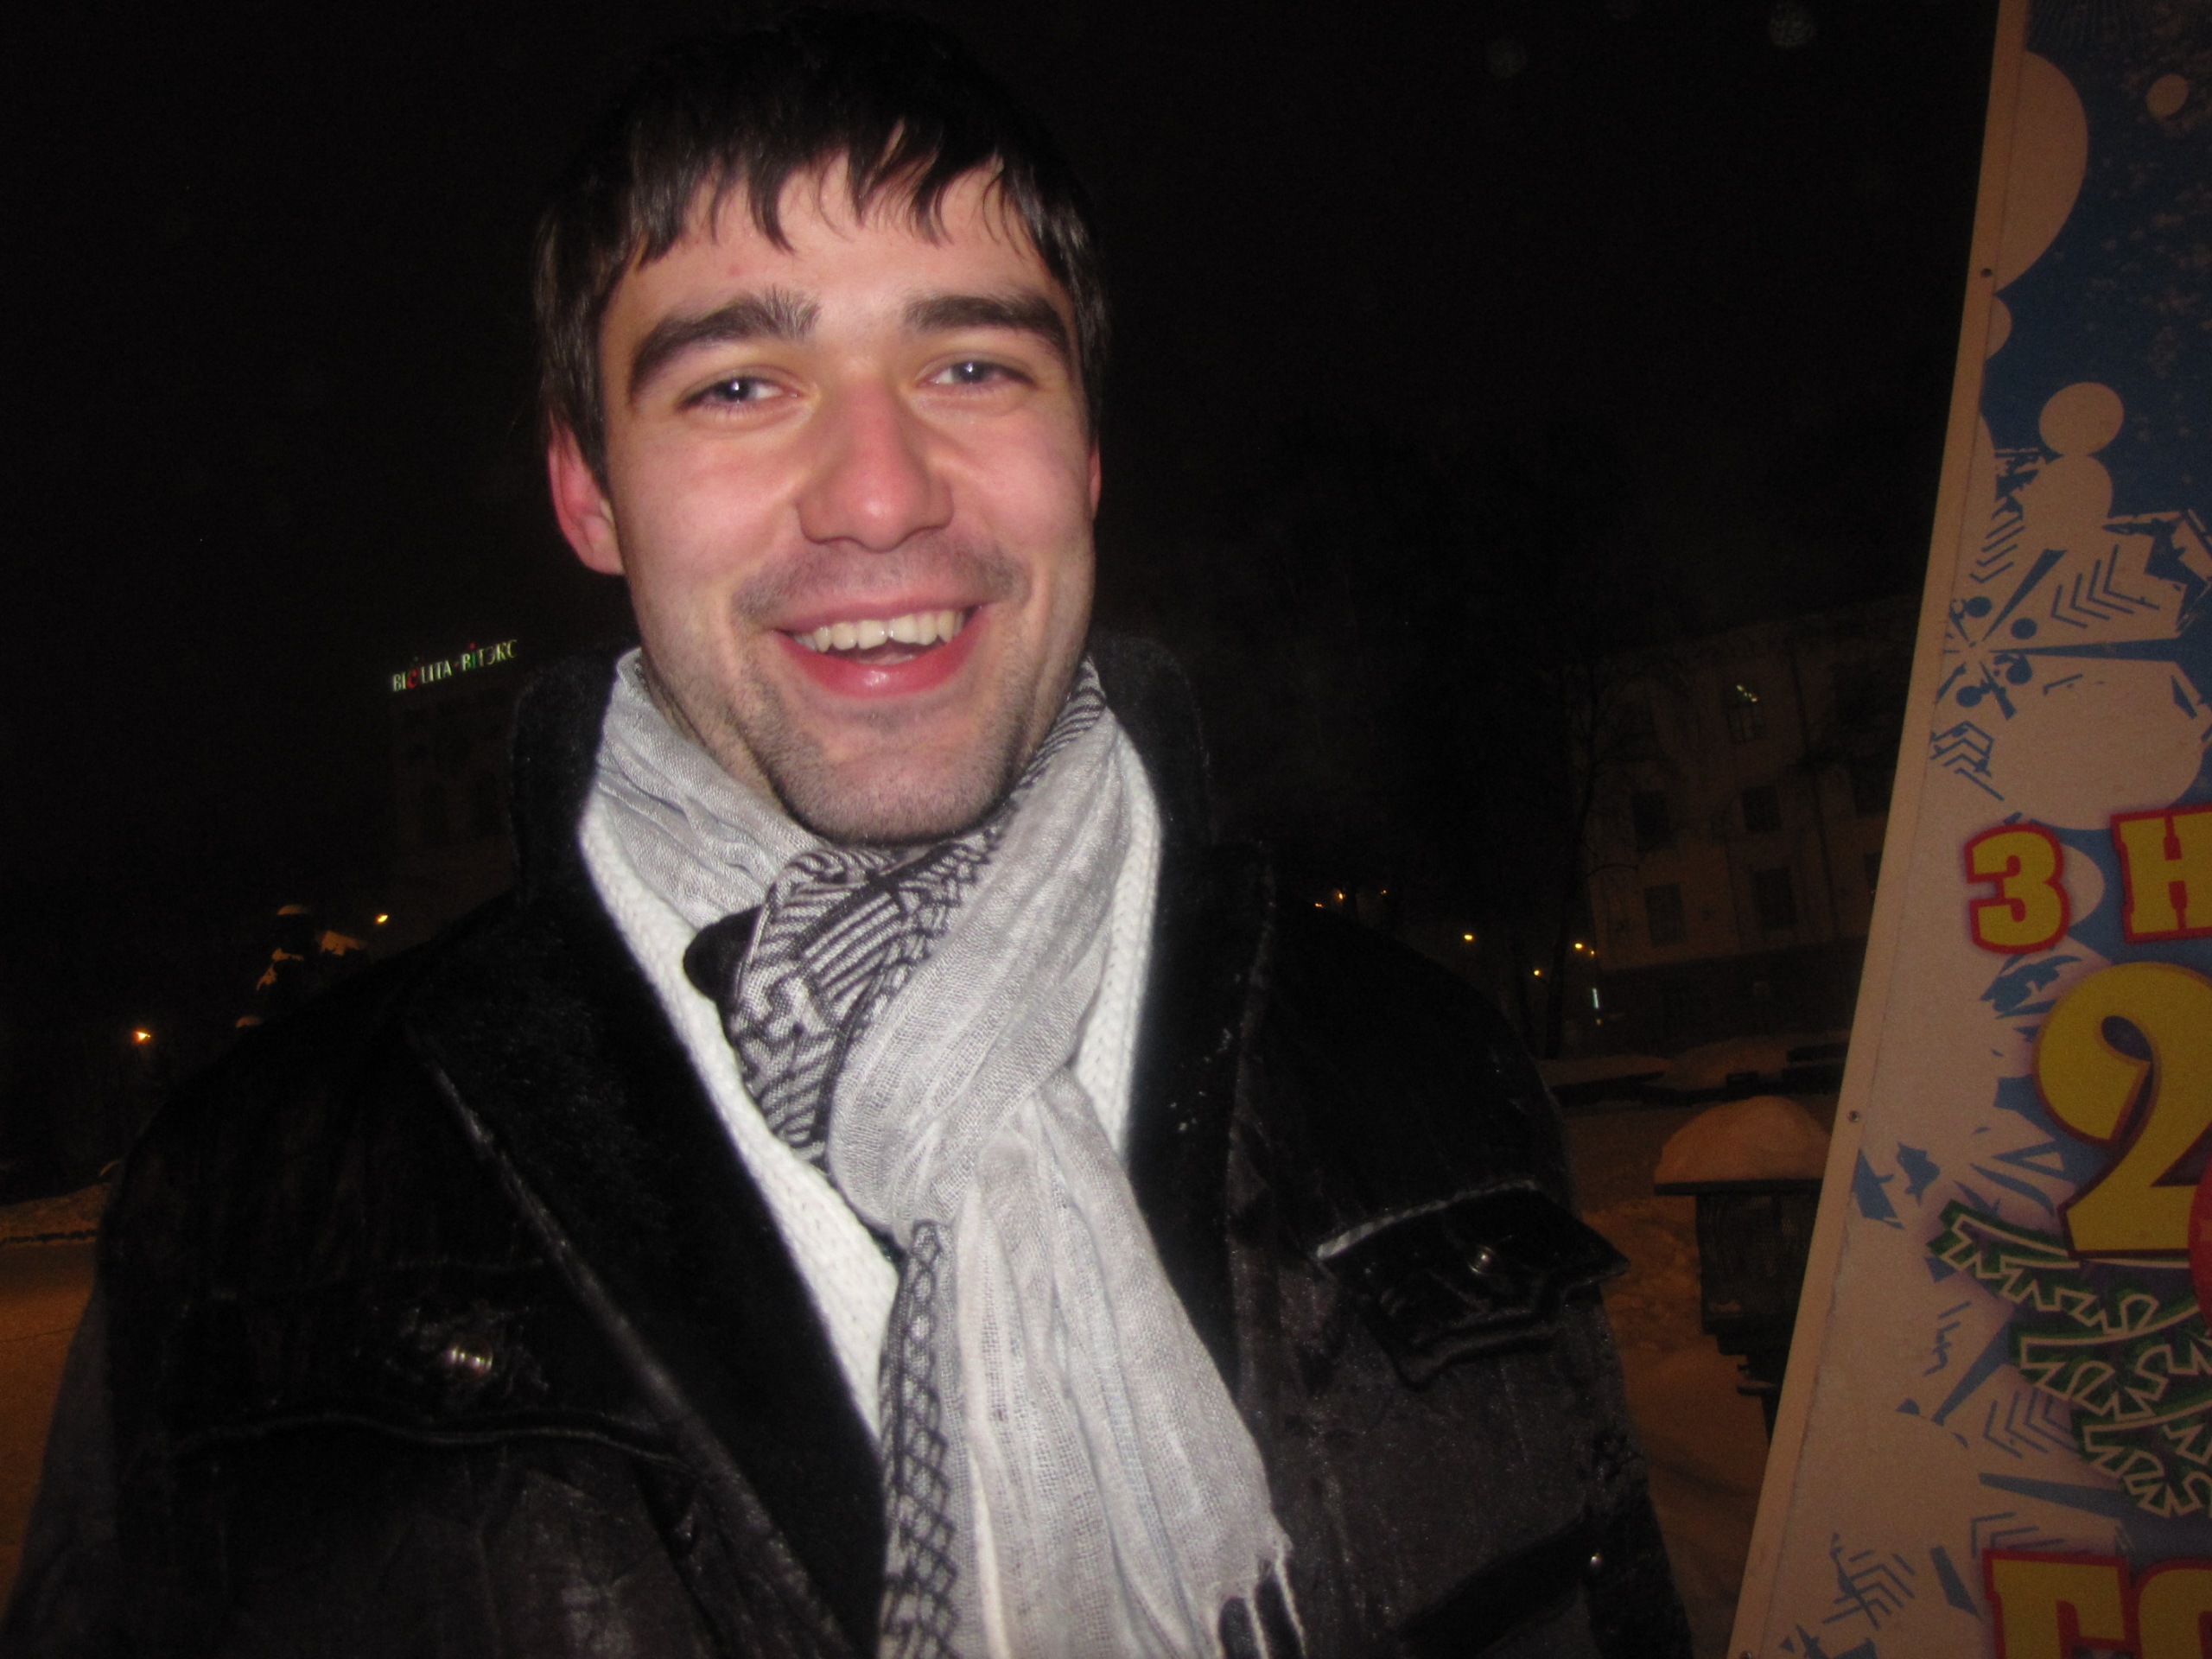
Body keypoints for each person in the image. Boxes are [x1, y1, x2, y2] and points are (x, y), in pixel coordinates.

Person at [3, 14, 1689, 1657]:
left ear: (1085, 456)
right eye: (739, 382)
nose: (879, 494)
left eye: (971, 366)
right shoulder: (250, 1215)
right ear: (588, 491)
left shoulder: (1425, 1076)